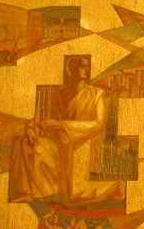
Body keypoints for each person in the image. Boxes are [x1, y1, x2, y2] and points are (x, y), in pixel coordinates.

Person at [10, 55, 106, 203]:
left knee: (75, 193)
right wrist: (30, 128)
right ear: (71, 69)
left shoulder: (97, 94)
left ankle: (56, 190)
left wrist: (61, 125)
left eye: (87, 66)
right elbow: (43, 113)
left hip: (81, 143)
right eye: (82, 66)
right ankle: (29, 191)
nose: (86, 69)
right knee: (24, 143)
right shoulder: (60, 92)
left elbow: (99, 124)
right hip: (59, 141)